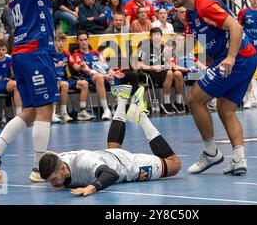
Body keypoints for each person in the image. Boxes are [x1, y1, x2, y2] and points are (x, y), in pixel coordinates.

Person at [0, 0, 100, 183]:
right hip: (35, 53)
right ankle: (37, 168)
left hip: (23, 54)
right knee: (46, 107)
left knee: (31, 111)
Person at [170, 0, 257, 175]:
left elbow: (235, 26)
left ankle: (211, 152)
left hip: (237, 58)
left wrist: (231, 58)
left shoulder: (205, 6)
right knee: (226, 108)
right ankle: (239, 158)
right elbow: (202, 45)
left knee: (194, 99)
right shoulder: (190, 15)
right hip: (244, 57)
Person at [38, 85, 181, 195]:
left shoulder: (84, 163)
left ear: (63, 168)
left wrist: (92, 187)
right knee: (113, 149)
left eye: (54, 179)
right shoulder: (58, 160)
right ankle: (122, 98)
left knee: (175, 165)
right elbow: (51, 155)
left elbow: (111, 174)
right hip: (107, 155)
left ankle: (141, 115)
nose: (53, 184)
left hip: (128, 167)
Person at [72, 31, 125, 120]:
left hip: (103, 77)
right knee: (99, 77)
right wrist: (105, 76)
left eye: (85, 39)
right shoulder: (77, 55)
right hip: (88, 79)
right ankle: (106, 110)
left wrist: (114, 73)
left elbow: (106, 67)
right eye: (81, 40)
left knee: (119, 78)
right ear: (78, 42)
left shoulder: (97, 53)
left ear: (88, 40)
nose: (84, 42)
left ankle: (119, 109)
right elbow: (87, 71)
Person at [137, 27, 184, 114]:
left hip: (162, 70)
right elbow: (139, 65)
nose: (156, 37)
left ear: (161, 36)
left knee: (178, 74)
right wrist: (153, 67)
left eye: (158, 35)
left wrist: (168, 61)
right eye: (154, 35)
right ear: (150, 36)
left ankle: (178, 102)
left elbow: (169, 63)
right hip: (150, 72)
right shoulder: (144, 46)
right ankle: (166, 103)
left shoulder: (163, 47)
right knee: (169, 73)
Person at [52, 32, 92, 122]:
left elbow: (76, 68)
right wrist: (56, 66)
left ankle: (82, 112)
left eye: (63, 41)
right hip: (52, 79)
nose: (61, 43)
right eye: (58, 41)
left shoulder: (67, 54)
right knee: (64, 84)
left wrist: (81, 65)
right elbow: (45, 67)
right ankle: (62, 113)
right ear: (54, 42)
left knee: (84, 84)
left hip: (64, 80)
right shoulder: (50, 53)